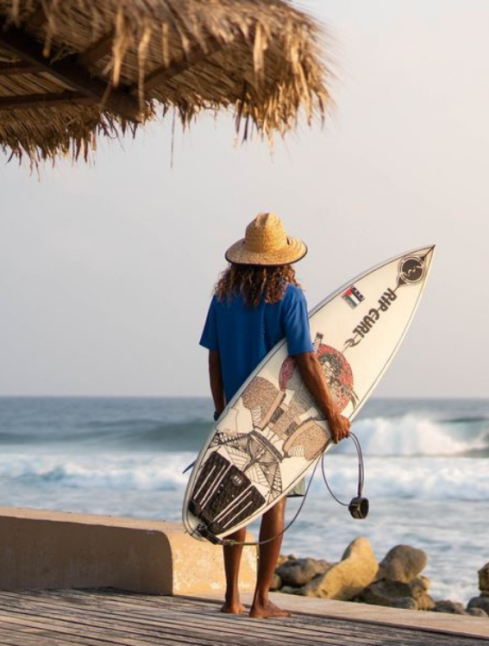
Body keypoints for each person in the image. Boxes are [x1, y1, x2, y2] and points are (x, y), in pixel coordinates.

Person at [199, 212, 351, 619]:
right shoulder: (288, 296)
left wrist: (220, 409)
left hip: (236, 413)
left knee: (234, 499)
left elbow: (214, 359)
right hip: (279, 414)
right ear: (283, 259)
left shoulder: (223, 297)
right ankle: (261, 600)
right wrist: (331, 413)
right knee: (273, 501)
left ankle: (231, 598)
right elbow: (305, 359)